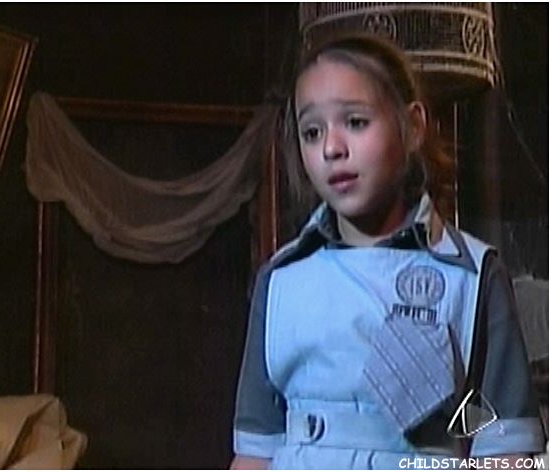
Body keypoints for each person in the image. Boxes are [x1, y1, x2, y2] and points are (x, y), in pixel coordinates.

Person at [230, 34, 545, 470]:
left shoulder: (471, 276)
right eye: (312, 132)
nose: (331, 148)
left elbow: (504, 450)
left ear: (412, 127)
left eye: (356, 122)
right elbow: (254, 451)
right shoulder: (282, 280)